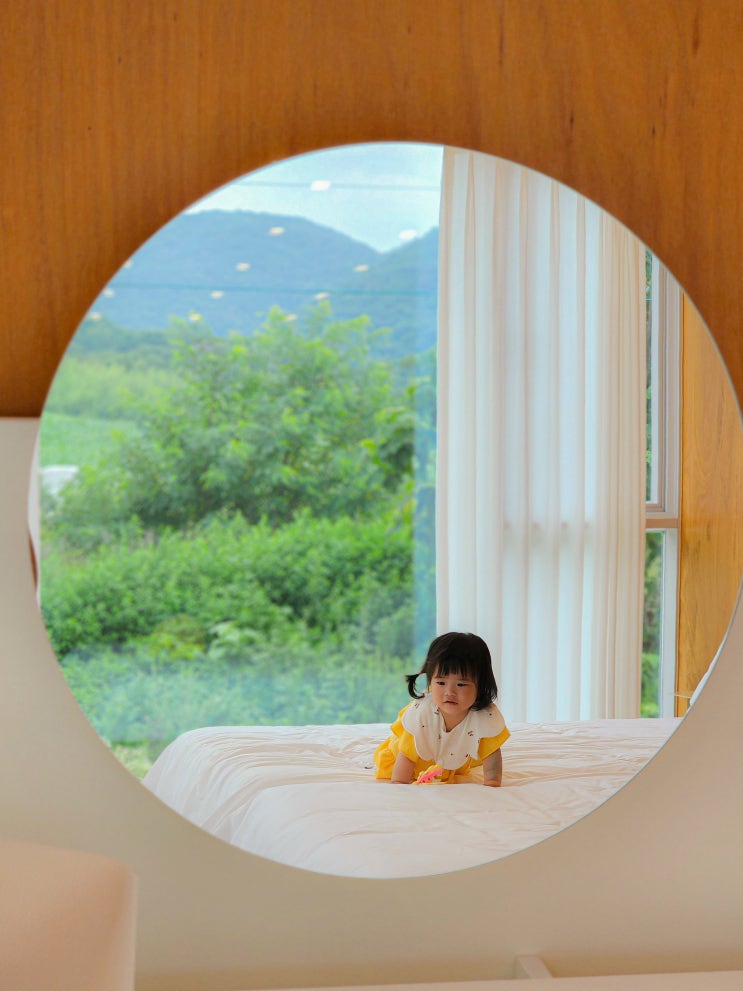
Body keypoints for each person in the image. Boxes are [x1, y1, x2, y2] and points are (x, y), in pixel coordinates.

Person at [374, 631, 509, 786]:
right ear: (430, 680)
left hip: (446, 765)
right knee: (405, 752)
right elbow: (406, 755)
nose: (449, 692)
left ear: (481, 685)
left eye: (461, 684)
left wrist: (492, 782)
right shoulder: (422, 714)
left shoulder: (484, 717)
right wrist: (400, 783)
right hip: (407, 765)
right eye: (440, 683)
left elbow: (492, 754)